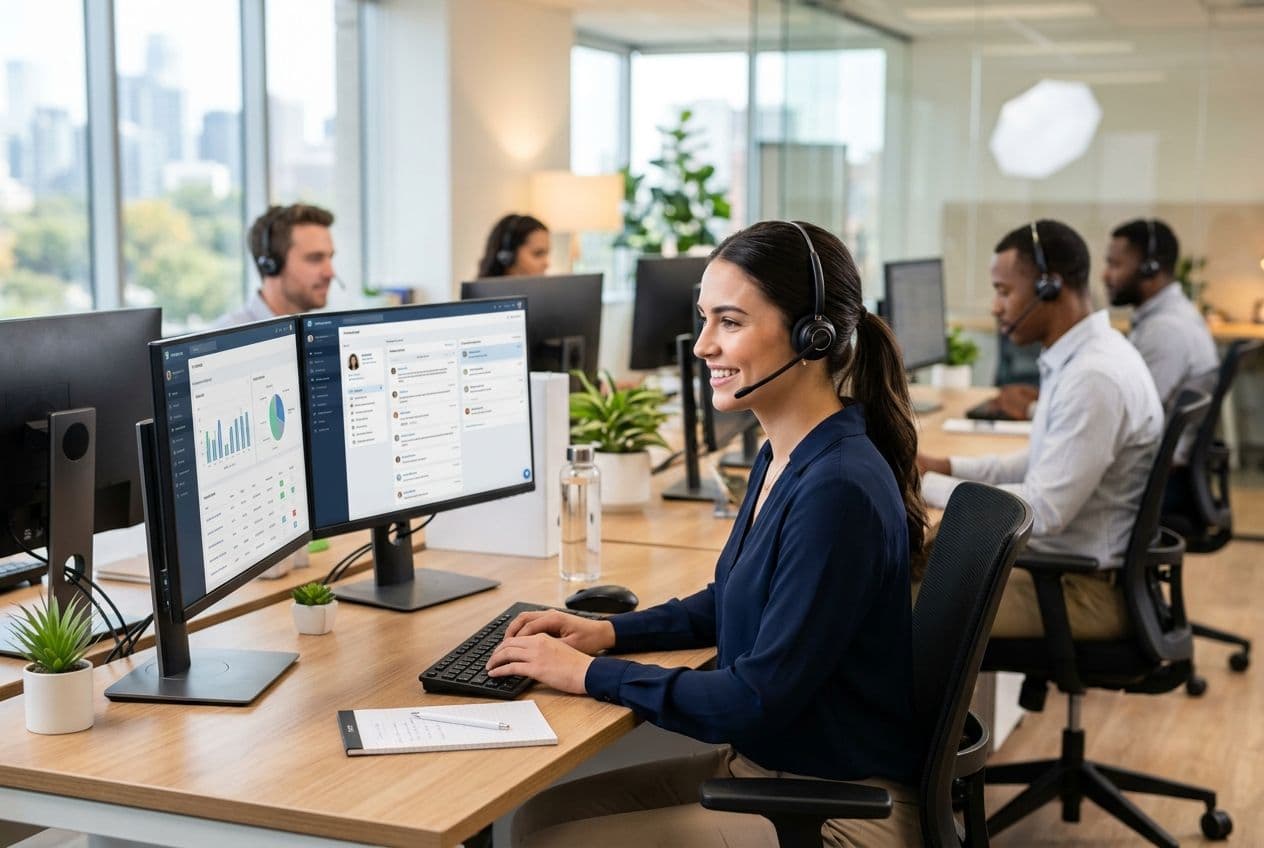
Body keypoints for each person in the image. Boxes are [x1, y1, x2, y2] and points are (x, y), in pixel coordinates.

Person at [488, 220, 927, 847]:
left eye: (730, 321)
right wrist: (609, 632)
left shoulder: (837, 488)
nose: (701, 346)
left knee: (553, 841)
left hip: (838, 808)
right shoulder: (784, 453)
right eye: (704, 319)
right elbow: (735, 597)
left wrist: (586, 675)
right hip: (771, 771)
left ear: (813, 334)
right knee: (533, 820)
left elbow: (753, 698)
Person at [918, 220, 1164, 640]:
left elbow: (1046, 510)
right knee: (907, 569)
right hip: (1063, 571)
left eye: (1004, 291)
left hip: (1079, 591)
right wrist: (941, 465)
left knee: (892, 612)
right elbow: (1037, 462)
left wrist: (926, 483)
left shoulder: (1094, 376)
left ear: (1051, 287)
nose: (996, 307)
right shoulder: (1080, 357)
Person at [216, 203, 337, 326]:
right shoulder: (227, 340)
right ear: (272, 264)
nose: (330, 273)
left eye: (330, 257)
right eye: (315, 258)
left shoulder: (318, 332)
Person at [476, 213, 550, 277]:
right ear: (508, 257)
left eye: (546, 254)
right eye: (538, 254)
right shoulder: (477, 293)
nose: (546, 264)